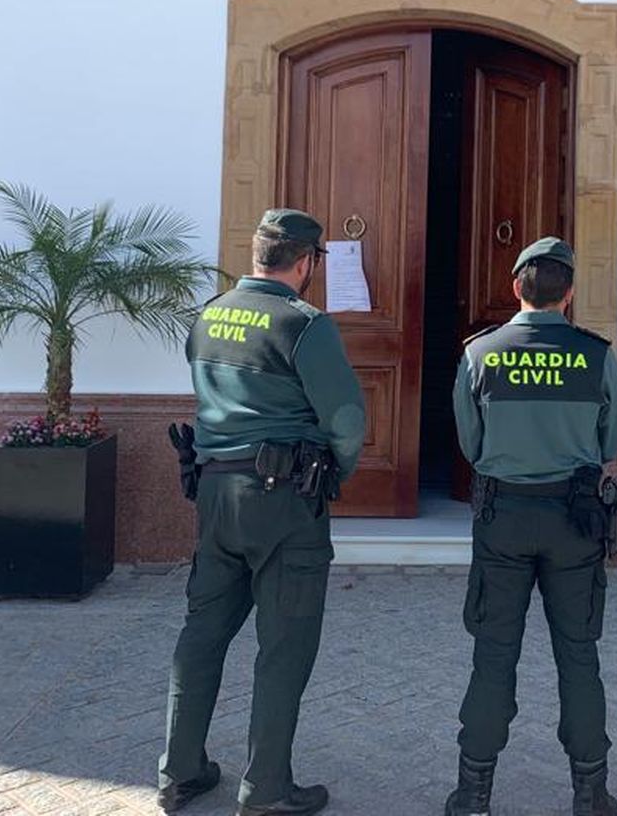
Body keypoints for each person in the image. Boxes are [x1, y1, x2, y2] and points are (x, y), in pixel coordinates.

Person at [158, 209, 366, 816]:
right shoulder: (304, 324)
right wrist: (338, 474)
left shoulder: (208, 314)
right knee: (284, 647)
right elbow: (347, 420)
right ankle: (266, 788)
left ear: (257, 256)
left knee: (201, 635)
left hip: (216, 496)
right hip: (284, 504)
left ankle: (180, 773)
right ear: (306, 263)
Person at [444, 237, 617, 816]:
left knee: (493, 655)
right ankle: (590, 793)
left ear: (515, 288)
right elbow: (610, 442)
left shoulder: (480, 354)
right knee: (579, 655)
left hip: (503, 516)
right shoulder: (596, 356)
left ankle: (473, 794)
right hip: (574, 520)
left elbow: (470, 445)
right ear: (569, 293)